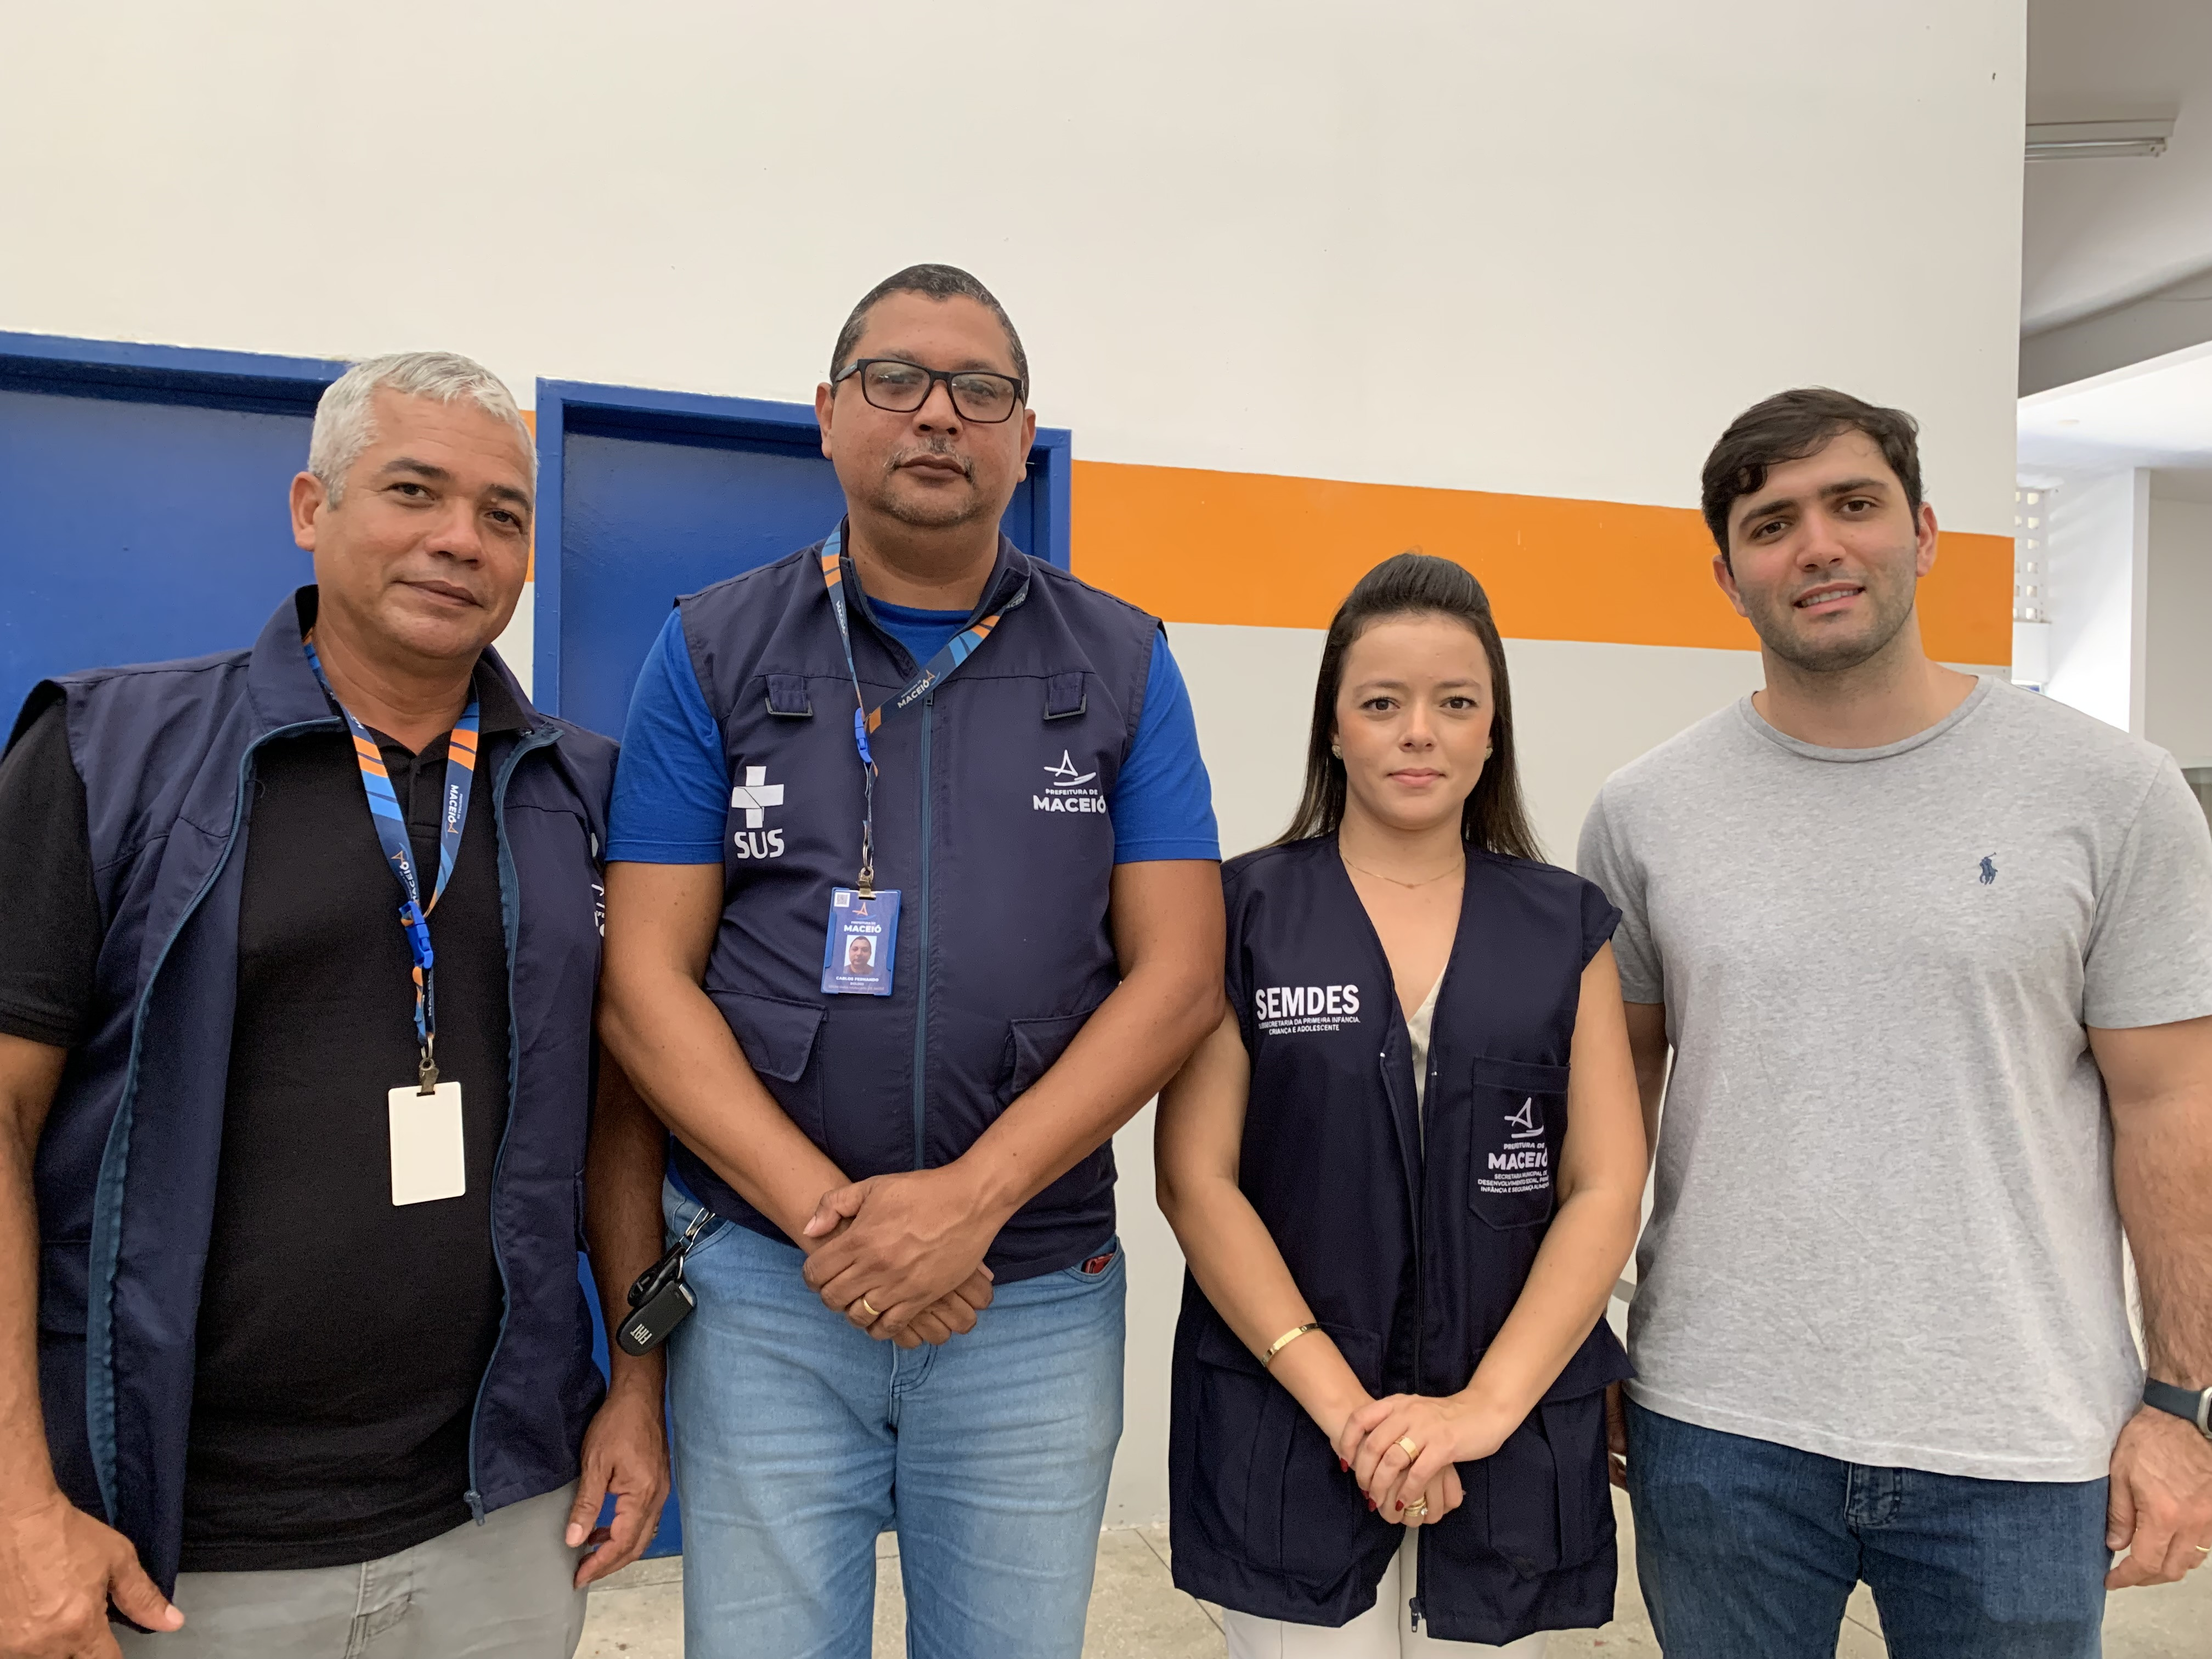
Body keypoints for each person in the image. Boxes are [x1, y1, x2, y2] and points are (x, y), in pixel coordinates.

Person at [0, 353, 670, 1659]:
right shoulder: (105, 755)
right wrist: (20, 1506)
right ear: (312, 508)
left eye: (502, 515)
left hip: (501, 1528)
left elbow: (620, 1127)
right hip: (171, 1549)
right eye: (412, 490)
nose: (458, 542)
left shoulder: (584, 796)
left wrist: (635, 1385)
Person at [597, 263, 1225, 1658]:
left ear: (1022, 432)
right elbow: (645, 987)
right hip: (764, 1286)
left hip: (1029, 1295)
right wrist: (835, 1221)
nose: (937, 415)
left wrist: (969, 1206)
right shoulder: (710, 648)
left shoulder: (1123, 661)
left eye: (978, 391)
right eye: (896, 382)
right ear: (828, 416)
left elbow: (1179, 975)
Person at [1578, 387, 2212, 1658]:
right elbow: (1605, 1111)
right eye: (1773, 523)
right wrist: (1580, 1338)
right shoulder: (1645, 814)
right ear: (1726, 572)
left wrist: (2181, 1402)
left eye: (1853, 506)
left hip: (2023, 1440)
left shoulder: (2112, 794)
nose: (1817, 546)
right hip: (1718, 1429)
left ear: (1924, 533)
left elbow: (2173, 1114)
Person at [1158, 554, 1647, 1656]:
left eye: (1455, 704)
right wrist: (1348, 1416)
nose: (1418, 732)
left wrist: (1481, 1413)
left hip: (1511, 1430)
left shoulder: (1565, 927)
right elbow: (1197, 1181)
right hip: (1290, 1419)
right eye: (1382, 703)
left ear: (1491, 733)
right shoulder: (1244, 911)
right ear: (1334, 728)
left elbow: (1605, 1185)